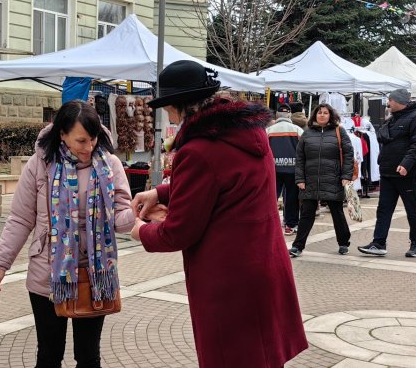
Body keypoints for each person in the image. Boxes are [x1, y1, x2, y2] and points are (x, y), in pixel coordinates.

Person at [129, 60, 307, 368]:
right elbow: (228, 181)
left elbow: (178, 232)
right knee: (262, 358)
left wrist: (139, 230)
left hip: (228, 279)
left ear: (182, 106)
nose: (169, 115)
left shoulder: (198, 150)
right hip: (264, 264)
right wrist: (161, 192)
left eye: (169, 108)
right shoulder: (249, 132)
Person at [0, 100, 134, 368]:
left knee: (88, 357)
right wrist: (1, 263)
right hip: (47, 275)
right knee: (49, 356)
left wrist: (138, 212)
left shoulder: (110, 164)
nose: (89, 147)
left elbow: (121, 219)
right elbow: (21, 218)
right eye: (81, 141)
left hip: (95, 276)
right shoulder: (40, 164)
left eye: (93, 139)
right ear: (62, 134)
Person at [359, 89, 416, 258]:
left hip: (407, 173)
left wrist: (406, 164)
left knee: (412, 208)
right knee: (384, 209)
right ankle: (379, 243)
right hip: (388, 171)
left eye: (391, 100)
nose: (388, 103)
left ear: (399, 101)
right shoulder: (392, 118)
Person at [289, 103, 354, 257]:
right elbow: (300, 158)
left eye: (325, 113)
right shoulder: (307, 133)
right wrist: (300, 178)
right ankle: (297, 246)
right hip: (310, 180)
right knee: (306, 214)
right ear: (315, 115)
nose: (322, 115)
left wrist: (346, 176)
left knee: (337, 213)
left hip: (333, 179)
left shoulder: (339, 131)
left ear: (331, 115)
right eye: (319, 113)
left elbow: (348, 154)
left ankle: (343, 243)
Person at [267, 103, 305, 235]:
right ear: (289, 115)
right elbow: (304, 150)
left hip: (273, 170)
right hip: (293, 170)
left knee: (271, 198)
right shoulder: (298, 130)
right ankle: (290, 224)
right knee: (291, 198)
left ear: (277, 115)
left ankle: (269, 224)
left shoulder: (269, 131)